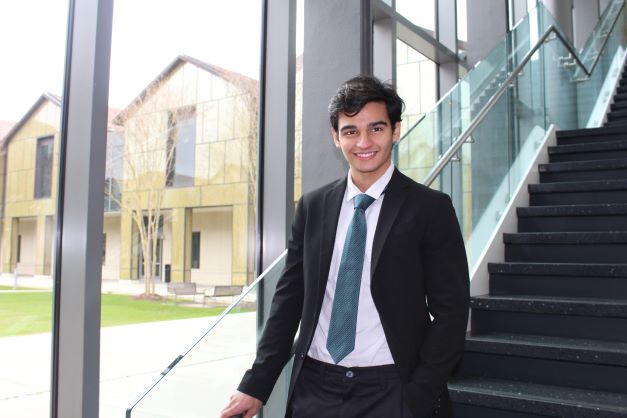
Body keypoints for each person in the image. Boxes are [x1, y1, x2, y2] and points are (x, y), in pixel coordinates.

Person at [220, 75, 469, 418]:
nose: (363, 141)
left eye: (376, 128)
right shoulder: (313, 207)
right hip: (314, 389)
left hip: (392, 390)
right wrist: (256, 384)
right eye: (351, 131)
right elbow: (289, 300)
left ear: (396, 130)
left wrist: (419, 392)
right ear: (336, 137)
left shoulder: (430, 209)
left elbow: (452, 312)